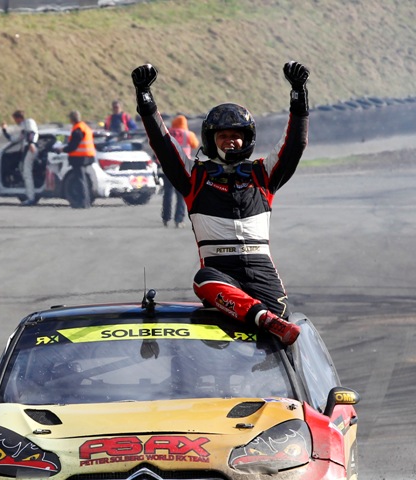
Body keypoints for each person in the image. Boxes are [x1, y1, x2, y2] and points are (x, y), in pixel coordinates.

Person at [131, 60, 310, 345]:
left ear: (247, 140)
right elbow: (163, 145)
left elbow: (295, 145)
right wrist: (145, 98)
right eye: (224, 136)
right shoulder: (194, 177)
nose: (231, 141)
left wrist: (299, 94)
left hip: (263, 270)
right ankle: (262, 318)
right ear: (210, 140)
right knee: (203, 280)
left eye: (237, 136)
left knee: (281, 334)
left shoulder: (263, 174)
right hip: (220, 274)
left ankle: (264, 317)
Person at [161, 115, 199, 228]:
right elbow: (195, 145)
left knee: (167, 194)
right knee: (181, 195)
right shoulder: (188, 134)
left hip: (168, 166)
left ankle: (166, 218)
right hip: (182, 168)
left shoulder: (167, 132)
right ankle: (179, 220)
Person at [1, 110, 40, 206]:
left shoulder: (28, 122)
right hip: (28, 150)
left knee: (27, 173)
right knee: (23, 170)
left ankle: (31, 198)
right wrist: (4, 131)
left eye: (15, 119)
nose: (15, 121)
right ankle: (30, 194)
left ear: (18, 118)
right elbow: (15, 139)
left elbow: (32, 133)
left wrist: (31, 143)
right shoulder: (23, 127)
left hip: (31, 149)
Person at [63, 110, 96, 209]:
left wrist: (63, 149)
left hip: (79, 158)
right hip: (87, 157)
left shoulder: (78, 129)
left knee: (80, 180)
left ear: (72, 119)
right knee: (83, 180)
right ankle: (85, 202)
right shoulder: (85, 127)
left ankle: (83, 203)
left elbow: (73, 146)